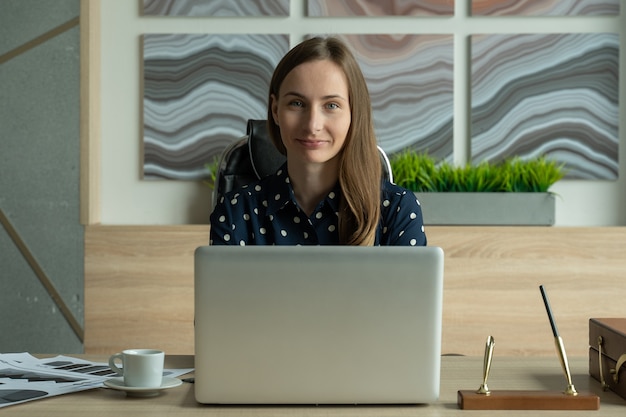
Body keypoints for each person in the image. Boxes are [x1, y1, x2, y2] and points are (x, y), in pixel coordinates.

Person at [210, 36, 426, 246]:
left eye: (331, 105)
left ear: (354, 112)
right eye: (296, 103)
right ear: (275, 110)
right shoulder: (235, 212)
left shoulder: (397, 209)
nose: (313, 125)